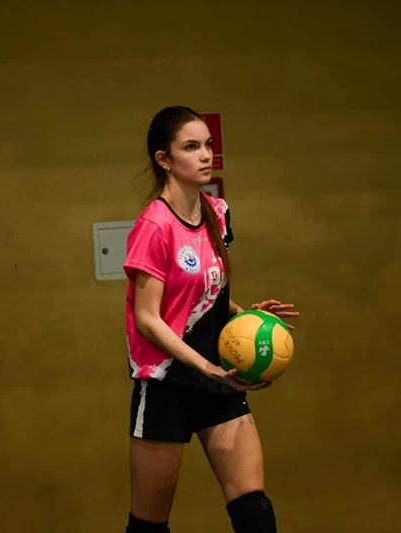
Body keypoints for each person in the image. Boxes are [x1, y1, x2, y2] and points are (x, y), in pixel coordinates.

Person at [122, 106, 300, 533]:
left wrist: (246, 315)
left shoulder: (217, 212)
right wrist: (203, 366)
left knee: (254, 511)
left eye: (208, 145)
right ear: (164, 159)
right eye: (191, 147)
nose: (205, 155)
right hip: (167, 383)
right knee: (148, 527)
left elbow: (204, 293)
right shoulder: (154, 225)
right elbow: (148, 319)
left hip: (219, 378)